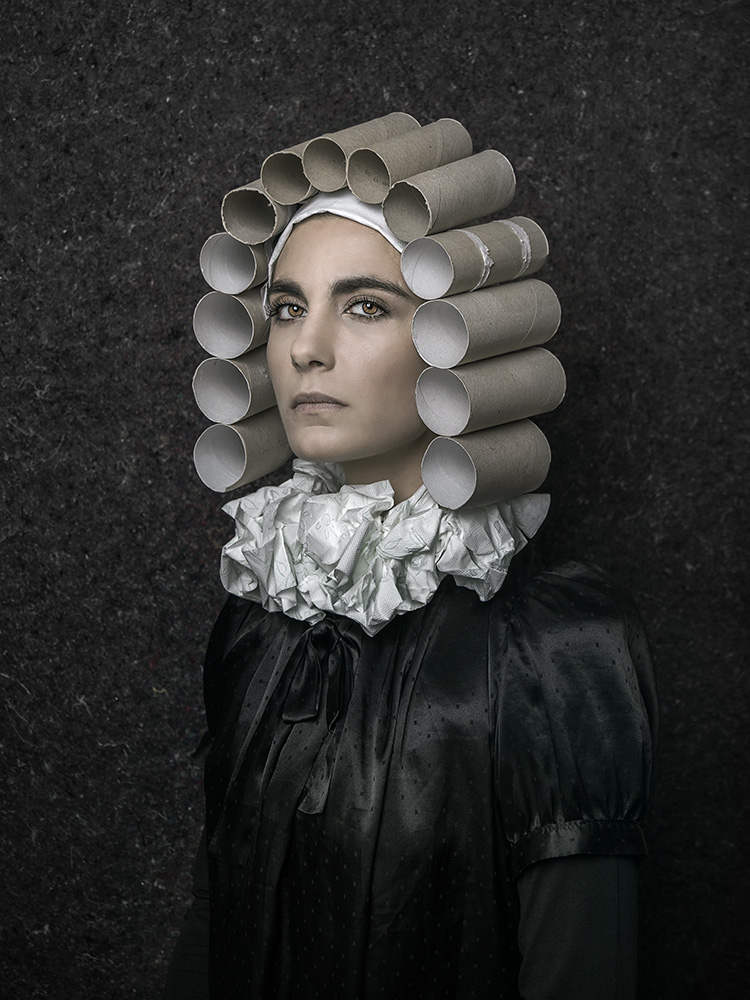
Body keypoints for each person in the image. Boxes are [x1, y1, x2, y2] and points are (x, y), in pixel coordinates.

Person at [164, 125, 657, 1000]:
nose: (305, 348)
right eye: (287, 307)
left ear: (453, 333)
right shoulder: (255, 619)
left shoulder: (558, 649)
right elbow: (215, 926)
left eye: (364, 306)